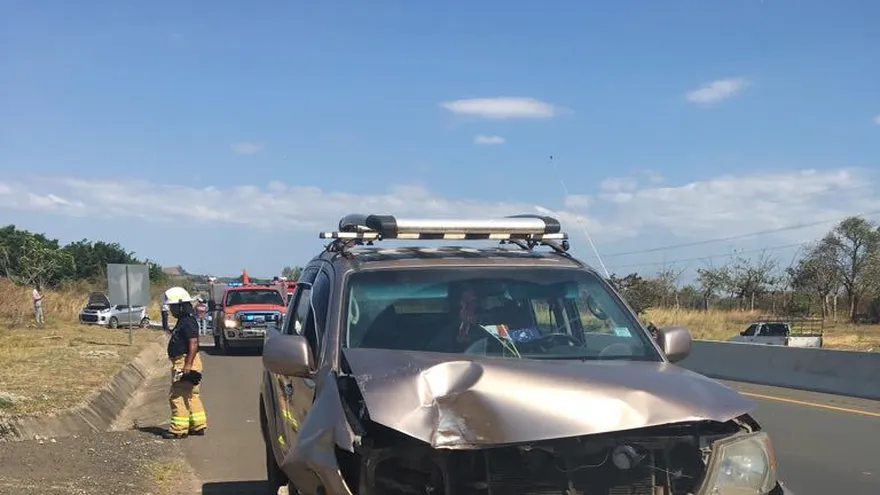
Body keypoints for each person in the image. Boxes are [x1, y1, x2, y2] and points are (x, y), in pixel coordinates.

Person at [162, 286, 207, 439]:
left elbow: (193, 343)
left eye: (173, 307)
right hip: (188, 361)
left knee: (178, 395)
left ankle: (178, 429)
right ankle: (197, 425)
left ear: (181, 306)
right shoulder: (185, 320)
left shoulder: (187, 322)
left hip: (185, 361)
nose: (171, 310)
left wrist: (187, 365)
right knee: (191, 394)